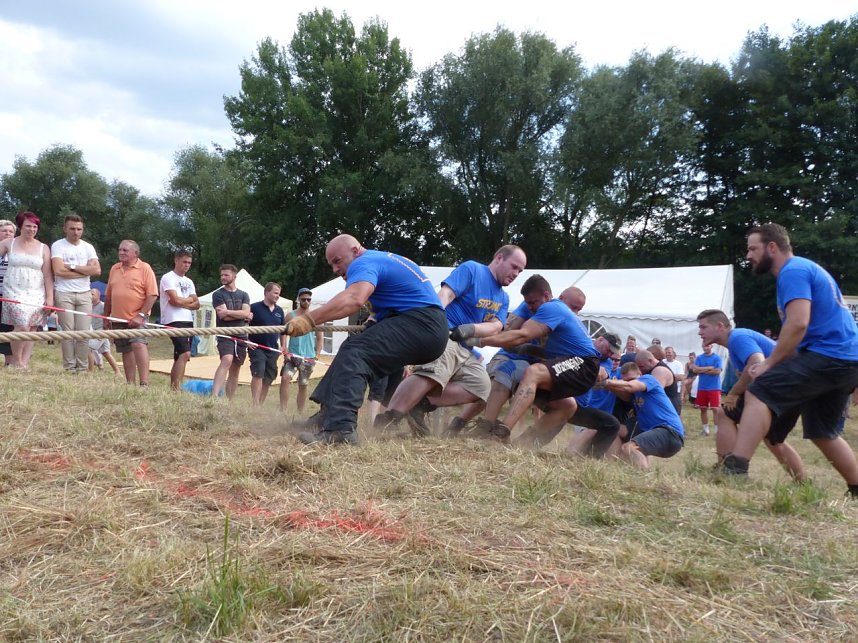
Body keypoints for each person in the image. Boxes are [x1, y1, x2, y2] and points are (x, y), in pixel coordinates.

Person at [724, 224, 858, 498]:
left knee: (759, 390)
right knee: (823, 431)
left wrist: (770, 363)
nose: (748, 255)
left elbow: (798, 324)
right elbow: (807, 331)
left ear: (772, 247)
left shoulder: (793, 271)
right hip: (845, 359)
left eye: (753, 248)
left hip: (830, 355)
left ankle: (734, 469)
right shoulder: (802, 270)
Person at [284, 234, 448, 445]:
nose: (335, 269)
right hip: (423, 325)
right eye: (331, 264)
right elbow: (391, 301)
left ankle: (341, 430)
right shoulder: (381, 260)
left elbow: (354, 299)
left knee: (356, 353)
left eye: (337, 261)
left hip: (422, 324)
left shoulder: (363, 262)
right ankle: (327, 417)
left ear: (355, 251)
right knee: (350, 347)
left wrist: (309, 320)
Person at [375, 245, 526, 437]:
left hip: (464, 346)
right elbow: (446, 294)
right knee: (433, 372)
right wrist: (434, 321)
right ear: (499, 258)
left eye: (520, 271)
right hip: (443, 334)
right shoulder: (472, 270)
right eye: (514, 266)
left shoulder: (503, 297)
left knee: (481, 386)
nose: (516, 273)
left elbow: (496, 326)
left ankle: (419, 405)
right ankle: (389, 421)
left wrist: (470, 330)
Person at [464, 276, 602, 442]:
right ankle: (523, 442)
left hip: (584, 363)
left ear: (546, 296)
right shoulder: (548, 310)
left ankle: (501, 432)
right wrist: (527, 348)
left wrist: (478, 340)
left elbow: (522, 335)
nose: (530, 307)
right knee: (567, 406)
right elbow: (544, 347)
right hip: (577, 362)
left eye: (533, 302)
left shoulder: (552, 308)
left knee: (534, 372)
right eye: (527, 303)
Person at [696, 308, 805, 480]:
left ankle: (728, 470)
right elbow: (752, 370)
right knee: (773, 439)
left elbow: (757, 363)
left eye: (703, 327)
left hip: (784, 385)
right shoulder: (735, 342)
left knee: (725, 413)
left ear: (719, 326)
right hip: (791, 386)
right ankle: (803, 482)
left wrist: (733, 393)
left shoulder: (738, 337)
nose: (699, 332)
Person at [603, 362, 685, 468]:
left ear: (640, 374)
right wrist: (604, 384)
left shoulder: (648, 379)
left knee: (628, 448)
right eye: (626, 380)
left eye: (633, 379)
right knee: (613, 429)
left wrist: (607, 382)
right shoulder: (634, 393)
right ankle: (611, 466)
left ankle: (645, 480)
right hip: (653, 430)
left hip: (669, 432)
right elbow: (625, 393)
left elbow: (629, 386)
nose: (629, 382)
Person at [0, 212, 53, 370]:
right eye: (28, 226)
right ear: (20, 227)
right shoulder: (9, 243)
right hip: (13, 290)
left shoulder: (44, 248)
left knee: (32, 327)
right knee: (21, 325)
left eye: (35, 226)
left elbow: (48, 276)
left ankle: (24, 363)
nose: (31, 229)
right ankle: (16, 361)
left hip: (36, 292)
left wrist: (50, 298)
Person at [50, 214, 101, 373]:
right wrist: (85, 270)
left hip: (85, 294)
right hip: (64, 293)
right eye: (72, 228)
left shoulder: (88, 247)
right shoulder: (58, 245)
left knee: (83, 332)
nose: (76, 232)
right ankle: (70, 368)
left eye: (79, 229)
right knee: (68, 332)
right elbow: (58, 270)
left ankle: (82, 368)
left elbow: (97, 270)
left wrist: (71, 267)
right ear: (65, 228)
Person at [104, 240, 158, 385]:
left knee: (139, 344)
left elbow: (152, 295)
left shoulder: (145, 268)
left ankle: (144, 383)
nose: (121, 252)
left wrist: (141, 315)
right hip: (117, 318)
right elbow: (109, 296)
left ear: (135, 253)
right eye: (120, 249)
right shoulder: (115, 268)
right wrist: (106, 317)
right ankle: (130, 383)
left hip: (138, 317)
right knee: (125, 350)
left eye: (125, 250)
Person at [160, 250, 200, 390]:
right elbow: (174, 300)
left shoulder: (189, 281)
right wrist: (188, 300)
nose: (187, 265)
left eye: (189, 262)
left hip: (187, 320)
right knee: (185, 353)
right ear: (176, 260)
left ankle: (175, 387)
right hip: (173, 320)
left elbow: (197, 304)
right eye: (184, 262)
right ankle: (176, 388)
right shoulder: (168, 277)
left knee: (180, 356)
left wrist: (185, 301)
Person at [211, 264, 252, 400]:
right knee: (227, 360)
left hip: (241, 335)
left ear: (234, 276)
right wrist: (242, 314)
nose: (223, 277)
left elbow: (246, 312)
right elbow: (223, 317)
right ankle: (214, 396)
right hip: (225, 334)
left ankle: (230, 400)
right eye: (221, 275)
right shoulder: (218, 294)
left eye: (226, 275)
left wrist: (229, 311)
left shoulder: (244, 294)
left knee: (236, 368)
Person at [281, 287, 322, 415]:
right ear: (298, 299)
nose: (306, 301)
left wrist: (317, 355)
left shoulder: (315, 316)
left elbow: (320, 338)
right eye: (303, 299)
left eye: (309, 299)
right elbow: (283, 333)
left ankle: (300, 412)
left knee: (303, 384)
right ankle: (283, 410)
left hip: (309, 356)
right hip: (293, 354)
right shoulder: (290, 315)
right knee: (285, 378)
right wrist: (285, 349)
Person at [248, 282, 286, 405]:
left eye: (279, 294)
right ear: (266, 292)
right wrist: (247, 341)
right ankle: (255, 405)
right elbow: (243, 325)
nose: (277, 296)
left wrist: (283, 346)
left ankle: (260, 403)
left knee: (269, 376)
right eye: (275, 293)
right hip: (256, 347)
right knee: (258, 371)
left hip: (273, 349)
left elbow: (282, 330)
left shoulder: (279, 311)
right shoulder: (253, 307)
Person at [87, 287, 119, 375]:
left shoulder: (103, 306)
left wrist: (111, 335)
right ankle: (118, 372)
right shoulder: (88, 306)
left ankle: (90, 371)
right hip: (94, 332)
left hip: (102, 332)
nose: (90, 295)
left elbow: (110, 319)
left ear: (98, 295)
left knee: (88, 348)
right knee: (106, 353)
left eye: (92, 294)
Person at [692, 343, 722, 435]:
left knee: (715, 409)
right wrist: (708, 368)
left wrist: (701, 369)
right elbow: (694, 370)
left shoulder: (717, 357)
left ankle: (718, 431)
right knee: (703, 409)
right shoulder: (699, 358)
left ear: (711, 347)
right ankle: (706, 430)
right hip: (702, 387)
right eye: (704, 346)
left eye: (708, 346)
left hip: (714, 387)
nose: (706, 347)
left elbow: (717, 371)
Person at [0, 219, 17, 366]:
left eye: (11, 231)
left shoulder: (18, 251)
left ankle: (10, 363)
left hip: (11, 296)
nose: (8, 233)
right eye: (4, 230)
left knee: (9, 329)